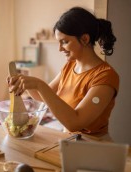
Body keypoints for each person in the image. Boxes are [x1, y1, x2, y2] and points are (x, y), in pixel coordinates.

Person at [7, 7, 119, 141]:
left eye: (64, 42)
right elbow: (42, 97)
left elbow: (75, 122)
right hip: (68, 140)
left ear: (84, 39)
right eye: (58, 43)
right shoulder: (70, 66)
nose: (60, 49)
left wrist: (39, 84)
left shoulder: (105, 76)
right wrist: (26, 83)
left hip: (94, 146)